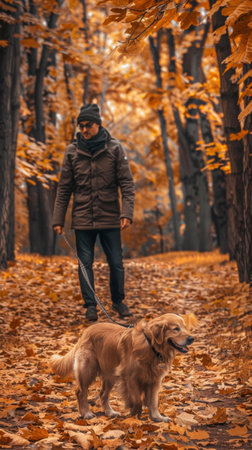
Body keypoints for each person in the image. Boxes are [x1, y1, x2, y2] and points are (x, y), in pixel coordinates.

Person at [52, 104, 135, 322]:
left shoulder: (115, 149)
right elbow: (64, 188)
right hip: (82, 219)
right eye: (81, 125)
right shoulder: (72, 151)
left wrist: (127, 213)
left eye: (88, 125)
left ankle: (118, 301)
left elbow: (126, 183)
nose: (84, 129)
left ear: (98, 124)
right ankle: (90, 306)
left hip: (110, 217)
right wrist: (58, 219)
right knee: (84, 263)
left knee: (116, 262)